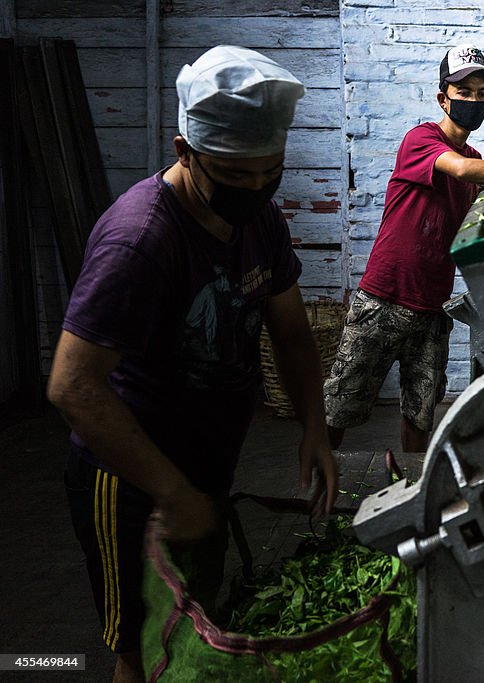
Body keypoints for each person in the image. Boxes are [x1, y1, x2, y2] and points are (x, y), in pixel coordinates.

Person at [47, 45, 338, 683]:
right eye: (237, 176)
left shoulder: (259, 218)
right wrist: (171, 491)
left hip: (204, 464)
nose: (257, 189)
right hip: (129, 480)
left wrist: (314, 427)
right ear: (186, 152)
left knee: (191, 632)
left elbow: (290, 332)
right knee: (144, 647)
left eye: (271, 173)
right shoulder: (141, 241)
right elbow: (72, 386)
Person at [324, 45, 484, 452]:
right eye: (465, 92)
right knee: (340, 403)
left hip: (431, 309)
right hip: (385, 298)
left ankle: (411, 489)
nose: (475, 101)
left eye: (482, 93)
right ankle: (316, 487)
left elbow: (481, 196)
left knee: (421, 412)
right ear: (443, 98)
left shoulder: (474, 157)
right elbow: (462, 170)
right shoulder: (422, 140)